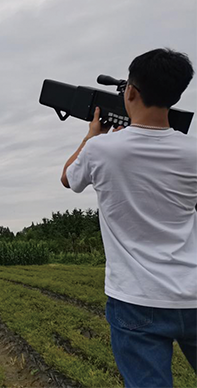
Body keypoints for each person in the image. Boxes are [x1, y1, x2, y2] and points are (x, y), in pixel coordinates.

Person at [61, 48, 197, 388]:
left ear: (130, 92)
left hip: (136, 299)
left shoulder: (100, 151)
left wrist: (93, 135)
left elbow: (68, 178)